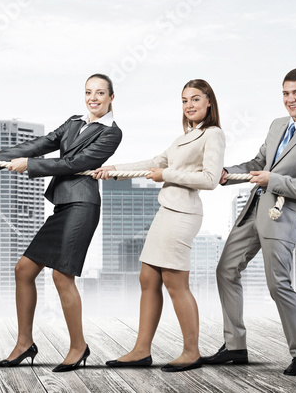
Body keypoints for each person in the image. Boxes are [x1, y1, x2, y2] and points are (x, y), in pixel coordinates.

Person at [0, 73, 122, 372]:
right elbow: (42, 143)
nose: (93, 98)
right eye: (89, 92)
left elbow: (75, 164)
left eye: (100, 93)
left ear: (111, 98)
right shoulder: (74, 122)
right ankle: (25, 343)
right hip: (63, 205)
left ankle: (79, 347)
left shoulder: (112, 133)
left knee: (61, 277)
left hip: (82, 205)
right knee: (24, 269)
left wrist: (30, 167)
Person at [202, 67, 296, 377]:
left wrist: (273, 180)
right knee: (225, 269)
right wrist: (227, 172)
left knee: (278, 285)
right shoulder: (277, 126)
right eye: (286, 93)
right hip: (253, 211)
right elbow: (258, 164)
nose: (290, 99)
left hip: (281, 217)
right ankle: (235, 345)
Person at [93, 79, 225, 372]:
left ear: (209, 103)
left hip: (183, 213)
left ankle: (191, 352)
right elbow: (155, 161)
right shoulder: (183, 137)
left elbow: (210, 179)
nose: (189, 105)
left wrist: (167, 173)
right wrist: (115, 170)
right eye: (184, 100)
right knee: (148, 278)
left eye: (195, 99)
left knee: (175, 283)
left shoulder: (213, 135)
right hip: (166, 211)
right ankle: (141, 350)